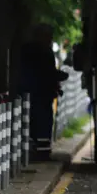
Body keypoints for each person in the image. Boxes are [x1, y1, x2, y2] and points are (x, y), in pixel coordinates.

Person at [19, 24, 68, 158]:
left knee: (29, 123)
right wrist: (62, 76)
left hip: (26, 93)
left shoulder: (24, 49)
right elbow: (48, 72)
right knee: (43, 124)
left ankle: (30, 150)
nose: (51, 39)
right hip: (41, 95)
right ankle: (42, 152)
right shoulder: (45, 51)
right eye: (49, 36)